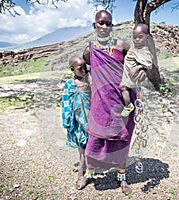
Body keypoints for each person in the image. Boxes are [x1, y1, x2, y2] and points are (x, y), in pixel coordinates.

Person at [78, 10, 147, 195]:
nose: (104, 26)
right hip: (100, 103)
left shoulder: (122, 46)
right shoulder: (89, 51)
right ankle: (90, 172)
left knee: (122, 140)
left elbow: (139, 61)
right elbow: (83, 69)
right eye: (101, 23)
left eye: (108, 23)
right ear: (94, 25)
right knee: (94, 141)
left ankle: (122, 176)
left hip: (122, 102)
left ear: (112, 26)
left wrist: (141, 71)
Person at [61, 55, 91, 189]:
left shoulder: (89, 79)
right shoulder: (69, 84)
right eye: (80, 69)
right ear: (72, 69)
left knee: (89, 145)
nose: (84, 71)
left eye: (85, 67)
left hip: (90, 120)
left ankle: (83, 171)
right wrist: (66, 120)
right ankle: (82, 168)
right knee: (81, 145)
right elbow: (66, 103)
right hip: (77, 121)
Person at [120, 23, 153, 117]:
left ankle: (128, 106)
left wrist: (138, 68)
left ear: (147, 37)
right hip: (128, 73)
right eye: (134, 37)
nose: (137, 39)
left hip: (132, 75)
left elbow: (148, 64)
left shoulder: (144, 50)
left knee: (123, 87)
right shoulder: (135, 48)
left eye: (140, 37)